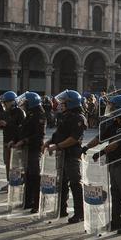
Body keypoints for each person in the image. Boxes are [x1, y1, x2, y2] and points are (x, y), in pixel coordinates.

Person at [85, 95, 121, 233]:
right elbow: (100, 137)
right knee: (115, 192)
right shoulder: (115, 123)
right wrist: (86, 147)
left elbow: (117, 143)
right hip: (113, 162)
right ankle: (116, 221)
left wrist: (101, 152)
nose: (110, 110)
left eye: (113, 107)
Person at [45, 90, 87, 224]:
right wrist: (48, 142)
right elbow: (58, 133)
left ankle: (80, 213)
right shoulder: (65, 116)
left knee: (75, 183)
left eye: (64, 102)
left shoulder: (79, 118)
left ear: (71, 103)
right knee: (61, 182)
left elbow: (74, 138)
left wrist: (57, 146)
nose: (61, 104)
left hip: (72, 155)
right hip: (62, 154)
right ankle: (61, 209)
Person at [12, 92, 46, 213]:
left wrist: (25, 140)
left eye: (25, 102)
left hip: (34, 149)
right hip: (26, 149)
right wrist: (15, 140)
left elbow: (39, 135)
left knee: (35, 176)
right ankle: (28, 201)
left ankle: (37, 203)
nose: (23, 104)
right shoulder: (29, 115)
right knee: (28, 176)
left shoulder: (39, 116)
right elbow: (23, 130)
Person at [0, 91, 25, 190]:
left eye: (6, 102)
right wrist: (1, 125)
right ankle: (10, 181)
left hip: (15, 142)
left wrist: (7, 125)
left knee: (15, 163)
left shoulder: (20, 112)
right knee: (7, 162)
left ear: (12, 102)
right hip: (6, 140)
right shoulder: (6, 113)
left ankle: (16, 181)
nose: (4, 104)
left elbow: (21, 128)